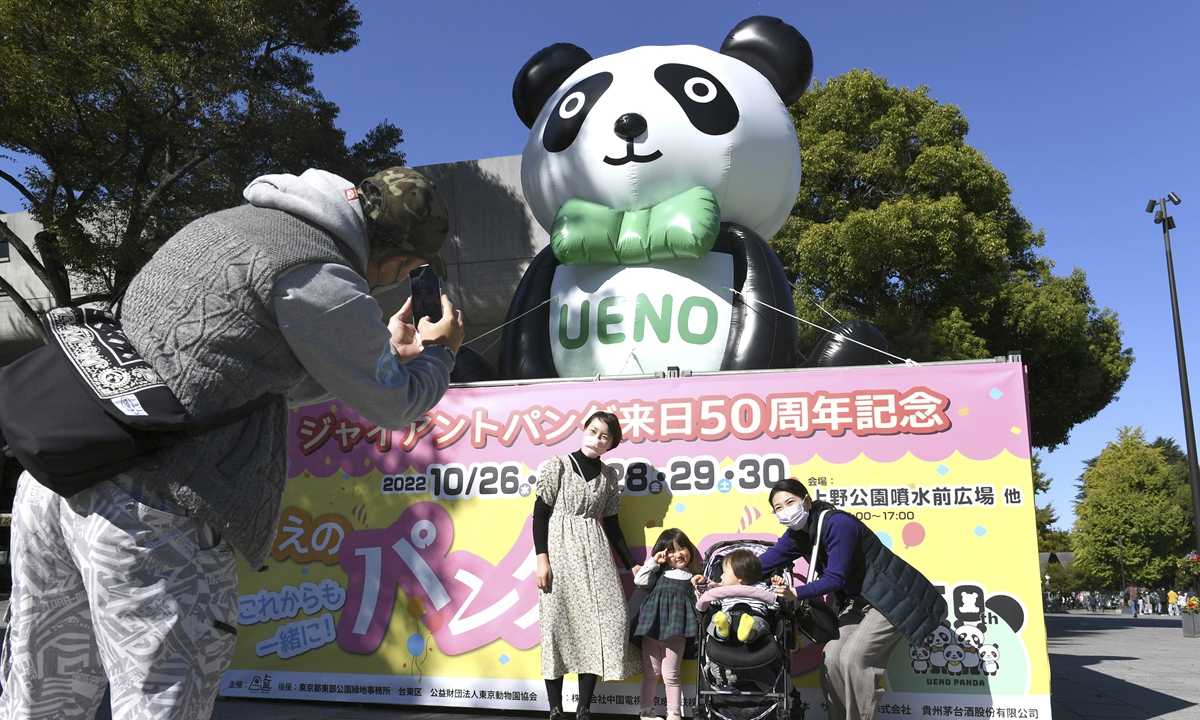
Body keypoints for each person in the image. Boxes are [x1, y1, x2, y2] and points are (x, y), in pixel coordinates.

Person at [1, 167, 465, 720]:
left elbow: (241, 375)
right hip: (154, 506)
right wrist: (441, 353)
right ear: (397, 259)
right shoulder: (320, 273)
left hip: (61, 474)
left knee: (44, 692)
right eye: (409, 270)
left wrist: (372, 354)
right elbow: (394, 403)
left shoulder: (227, 224)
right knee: (161, 702)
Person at [761, 478, 946, 720]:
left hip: (888, 598)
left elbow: (835, 578)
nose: (786, 511)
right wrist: (723, 578)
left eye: (790, 502)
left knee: (854, 659)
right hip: (855, 603)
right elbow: (765, 562)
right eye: (778, 508)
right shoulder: (797, 535)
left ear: (806, 501)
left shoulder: (838, 523)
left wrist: (796, 593)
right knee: (832, 658)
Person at [534, 411, 642, 720]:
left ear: (611, 443)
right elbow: (540, 514)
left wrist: (632, 565)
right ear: (584, 431)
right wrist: (542, 559)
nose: (596, 438)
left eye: (604, 436)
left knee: (606, 622)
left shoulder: (609, 476)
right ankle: (555, 708)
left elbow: (614, 526)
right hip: (559, 550)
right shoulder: (557, 466)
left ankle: (584, 708)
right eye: (592, 431)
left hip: (596, 553)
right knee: (557, 624)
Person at [632, 528, 701, 720]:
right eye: (671, 551)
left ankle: (674, 712)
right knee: (651, 672)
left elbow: (700, 604)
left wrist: (700, 587)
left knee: (671, 674)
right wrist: (655, 561)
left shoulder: (692, 578)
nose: (678, 554)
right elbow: (639, 579)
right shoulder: (657, 574)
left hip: (676, 632)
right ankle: (646, 711)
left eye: (682, 548)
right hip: (651, 629)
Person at [696, 548, 778, 645]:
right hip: (728, 617)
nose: (721, 577)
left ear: (740, 576)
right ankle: (722, 631)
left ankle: (749, 633)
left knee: (758, 623)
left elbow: (775, 605)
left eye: (724, 573)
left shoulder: (762, 587)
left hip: (753, 618)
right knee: (717, 617)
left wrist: (776, 588)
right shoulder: (723, 590)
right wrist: (703, 585)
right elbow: (712, 601)